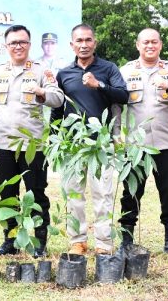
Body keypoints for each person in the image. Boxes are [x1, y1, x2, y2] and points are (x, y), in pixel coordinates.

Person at [0, 24, 64, 257]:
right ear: (6, 46)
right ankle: (10, 241)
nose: (18, 46)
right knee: (7, 194)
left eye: (22, 42)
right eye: (13, 43)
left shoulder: (42, 70)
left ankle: (39, 242)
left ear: (29, 44)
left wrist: (42, 92)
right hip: (5, 145)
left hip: (33, 146)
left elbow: (58, 99)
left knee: (36, 192)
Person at [111, 28, 168, 254]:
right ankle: (126, 241)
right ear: (138, 45)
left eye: (154, 42)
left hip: (165, 144)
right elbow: (116, 105)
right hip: (136, 146)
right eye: (145, 42)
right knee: (131, 193)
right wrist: (116, 133)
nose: (150, 46)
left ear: (160, 45)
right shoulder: (126, 71)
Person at [52, 24, 128, 255]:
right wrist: (54, 137)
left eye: (88, 40)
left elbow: (123, 96)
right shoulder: (64, 73)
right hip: (73, 144)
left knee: (103, 194)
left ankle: (104, 243)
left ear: (95, 42)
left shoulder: (108, 68)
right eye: (79, 41)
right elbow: (58, 107)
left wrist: (99, 85)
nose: (83, 45)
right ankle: (78, 240)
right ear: (71, 44)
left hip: (101, 144)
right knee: (74, 194)